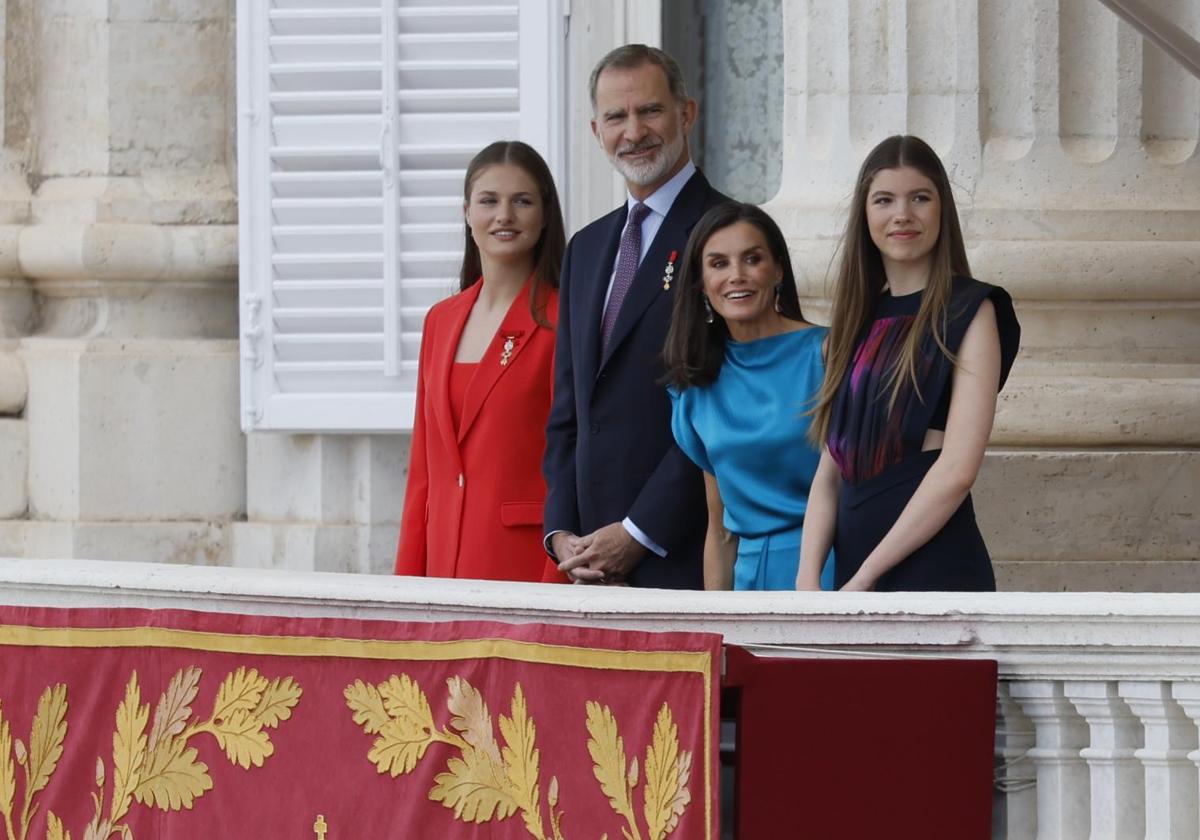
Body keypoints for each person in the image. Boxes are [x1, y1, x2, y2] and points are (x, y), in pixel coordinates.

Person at [542, 44, 730, 588]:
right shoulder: (585, 247)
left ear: (686, 113)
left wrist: (638, 531)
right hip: (585, 566)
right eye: (616, 117)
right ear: (596, 129)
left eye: (650, 110)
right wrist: (561, 533)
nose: (634, 131)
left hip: (683, 557)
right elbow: (569, 407)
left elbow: (727, 410)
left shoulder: (728, 236)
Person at [797, 135, 1020, 592]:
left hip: (932, 568)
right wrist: (806, 581)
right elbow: (829, 473)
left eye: (920, 197)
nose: (902, 214)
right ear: (865, 214)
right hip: (850, 574)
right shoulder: (856, 321)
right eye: (884, 200)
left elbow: (958, 471)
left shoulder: (973, 311)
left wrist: (865, 579)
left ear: (942, 209)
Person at [396, 141, 567, 582]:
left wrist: (556, 586)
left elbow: (572, 463)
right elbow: (423, 472)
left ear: (545, 214)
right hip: (442, 566)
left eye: (522, 201)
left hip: (526, 565)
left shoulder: (563, 319)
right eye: (489, 201)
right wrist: (405, 588)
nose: (504, 215)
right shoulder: (440, 320)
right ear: (467, 212)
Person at [663, 203, 835, 591]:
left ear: (777, 270)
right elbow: (720, 531)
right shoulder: (696, 385)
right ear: (701, 282)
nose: (736, 276)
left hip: (828, 572)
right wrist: (718, 628)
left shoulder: (827, 354)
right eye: (719, 264)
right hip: (749, 581)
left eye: (752, 259)